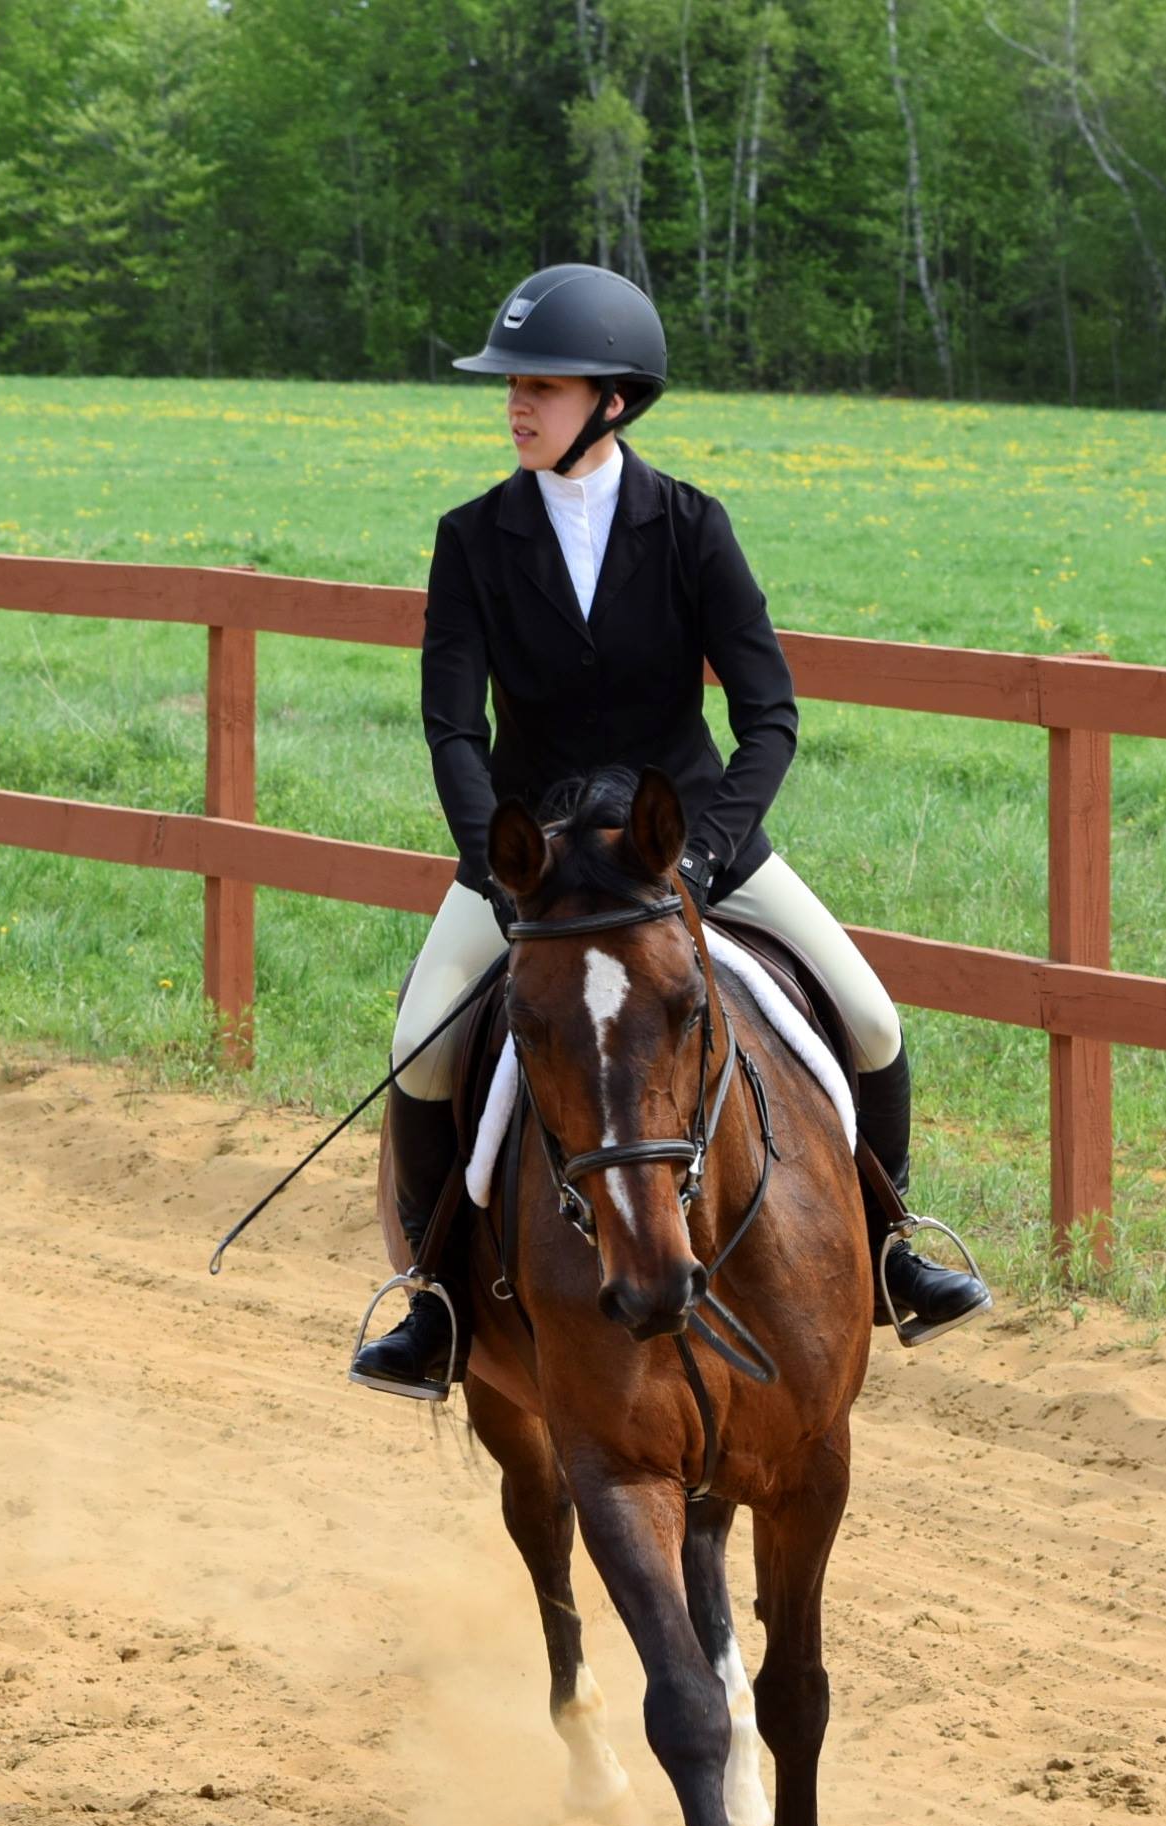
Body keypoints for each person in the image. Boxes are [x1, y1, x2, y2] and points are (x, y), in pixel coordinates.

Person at [353, 263, 989, 1396]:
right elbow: (451, 726)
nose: (514, 406)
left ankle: (894, 1255)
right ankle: (436, 1306)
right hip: (534, 863)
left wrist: (702, 845)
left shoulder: (692, 525)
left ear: (612, 398)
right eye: (510, 387)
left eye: (538, 386)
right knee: (424, 1045)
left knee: (873, 1018)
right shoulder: (472, 538)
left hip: (682, 844)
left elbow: (768, 717)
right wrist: (501, 868)